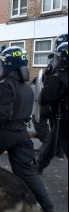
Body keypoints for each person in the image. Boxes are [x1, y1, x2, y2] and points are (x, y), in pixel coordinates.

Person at [0, 46, 54, 212]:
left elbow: (3, 113)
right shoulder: (26, 87)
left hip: (3, 133)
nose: (0, 68)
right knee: (26, 172)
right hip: (20, 133)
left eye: (3, 64)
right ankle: (47, 209)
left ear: (10, 65)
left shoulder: (6, 85)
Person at [36, 42, 68, 175]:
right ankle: (39, 166)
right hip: (62, 117)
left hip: (64, 117)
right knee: (52, 141)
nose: (56, 61)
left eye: (58, 58)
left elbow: (43, 98)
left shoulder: (59, 78)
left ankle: (39, 166)